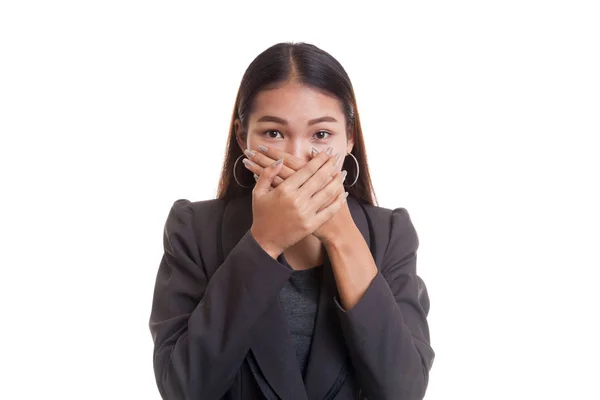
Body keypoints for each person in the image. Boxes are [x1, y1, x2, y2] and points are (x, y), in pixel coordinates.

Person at [149, 42, 435, 400]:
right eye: (274, 133)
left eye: (321, 135)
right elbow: (184, 388)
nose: (297, 156)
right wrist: (264, 243)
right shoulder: (194, 228)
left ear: (349, 139)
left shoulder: (390, 234)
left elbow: (402, 391)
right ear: (243, 138)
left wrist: (341, 234)